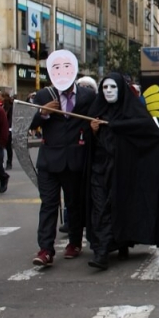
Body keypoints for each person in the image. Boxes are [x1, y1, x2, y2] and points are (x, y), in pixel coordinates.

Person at [87, 72, 159, 270]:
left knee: (118, 207)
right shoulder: (97, 110)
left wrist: (119, 127)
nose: (109, 91)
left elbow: (151, 134)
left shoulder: (133, 110)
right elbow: (89, 142)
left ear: (121, 89)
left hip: (123, 171)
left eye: (113, 87)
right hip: (99, 169)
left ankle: (117, 245)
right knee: (100, 208)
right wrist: (94, 130)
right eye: (105, 87)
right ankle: (102, 250)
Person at [29, 50, 94, 266]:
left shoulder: (86, 96)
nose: (62, 72)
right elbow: (28, 125)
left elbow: (96, 120)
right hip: (49, 161)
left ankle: (74, 242)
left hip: (75, 160)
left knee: (74, 204)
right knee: (48, 204)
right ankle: (45, 249)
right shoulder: (43, 96)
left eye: (67, 67)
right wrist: (44, 113)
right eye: (57, 68)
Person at [0, 91, 13, 170]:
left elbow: (11, 118)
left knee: (8, 147)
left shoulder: (10, 107)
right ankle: (0, 162)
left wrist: (8, 128)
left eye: (0, 96)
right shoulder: (1, 106)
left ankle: (9, 162)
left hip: (8, 129)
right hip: (1, 129)